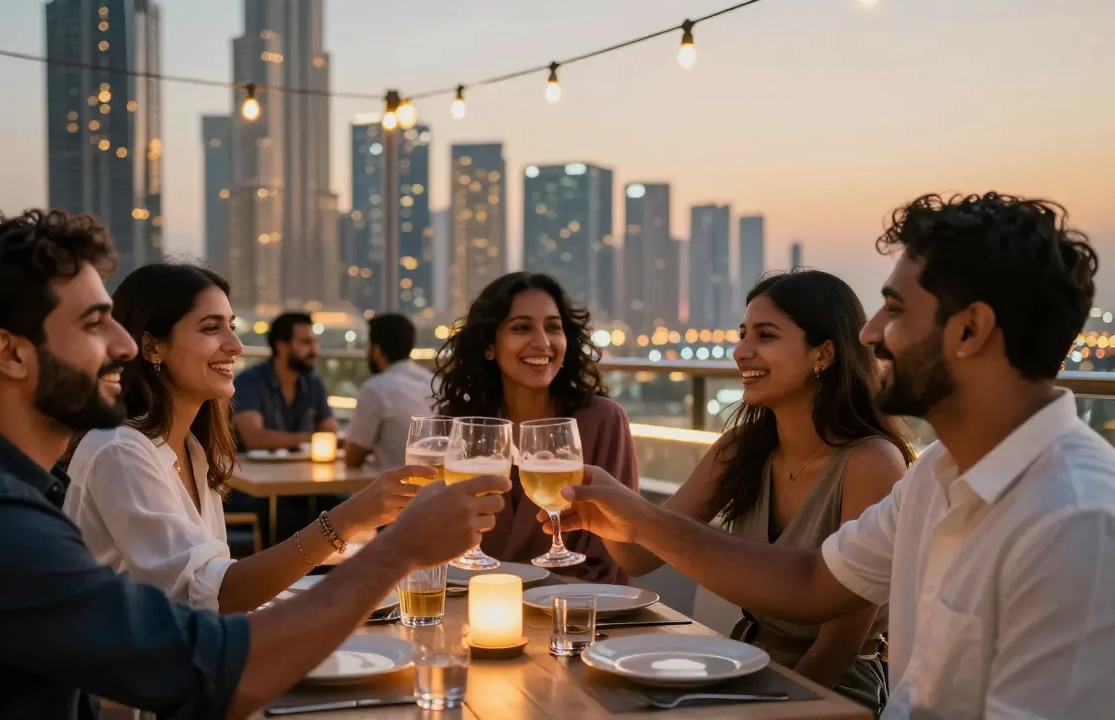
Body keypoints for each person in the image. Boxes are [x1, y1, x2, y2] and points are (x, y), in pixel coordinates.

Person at [0, 210, 510, 717]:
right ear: (10, 354)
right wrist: (395, 550)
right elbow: (216, 672)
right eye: (96, 323)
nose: (125, 344)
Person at [545, 193, 1115, 718]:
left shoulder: (1076, 522)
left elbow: (835, 636)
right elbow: (812, 578)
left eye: (894, 309)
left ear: (970, 332)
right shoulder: (936, 477)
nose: (868, 333)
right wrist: (637, 518)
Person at [610, 269, 912, 712]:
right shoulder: (742, 447)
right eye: (742, 334)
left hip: (834, 691)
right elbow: (639, 556)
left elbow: (837, 648)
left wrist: (759, 709)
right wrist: (595, 504)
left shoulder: (872, 463)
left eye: (765, 336)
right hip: (743, 666)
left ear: (823, 353)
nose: (740, 352)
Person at [65, 263, 424, 613]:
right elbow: (212, 595)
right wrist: (346, 520)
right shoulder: (118, 450)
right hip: (122, 668)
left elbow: (212, 598)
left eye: (232, 327)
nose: (236, 345)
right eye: (211, 328)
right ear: (153, 347)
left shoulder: (194, 451)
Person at [435, 272, 638, 583]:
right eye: (521, 327)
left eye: (553, 327)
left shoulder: (602, 420)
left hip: (574, 614)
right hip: (469, 614)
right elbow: (436, 545)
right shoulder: (458, 426)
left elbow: (610, 560)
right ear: (489, 345)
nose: (542, 342)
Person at [232, 312, 339, 451]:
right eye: (306, 342)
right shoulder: (249, 381)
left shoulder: (315, 383)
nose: (314, 350)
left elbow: (329, 430)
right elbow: (254, 438)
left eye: (315, 342)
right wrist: (314, 438)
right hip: (255, 470)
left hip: (302, 468)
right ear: (281, 347)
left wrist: (328, 430)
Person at [345, 313, 436, 469]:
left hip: (395, 487)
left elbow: (352, 458)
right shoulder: (434, 382)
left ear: (376, 349)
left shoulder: (376, 388)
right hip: (437, 485)